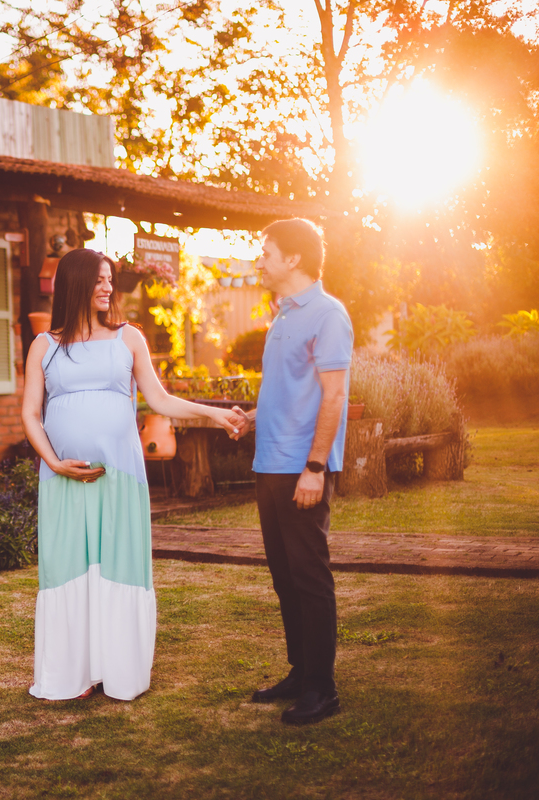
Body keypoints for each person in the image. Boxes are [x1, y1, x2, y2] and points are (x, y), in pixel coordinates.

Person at [21, 248, 243, 701]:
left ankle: (118, 672)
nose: (108, 288)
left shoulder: (128, 338)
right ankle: (73, 675)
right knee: (68, 570)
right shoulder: (43, 345)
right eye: (99, 280)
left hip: (119, 479)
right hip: (62, 481)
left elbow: (160, 401)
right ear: (75, 284)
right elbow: (29, 415)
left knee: (118, 568)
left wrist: (215, 415)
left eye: (110, 280)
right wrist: (53, 461)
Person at [233, 218, 353, 725]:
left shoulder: (329, 314)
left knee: (309, 578)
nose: (259, 259)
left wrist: (315, 468)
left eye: (266, 251)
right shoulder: (283, 314)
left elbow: (334, 395)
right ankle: (301, 672)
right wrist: (252, 418)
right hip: (270, 463)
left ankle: (322, 690)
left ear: (293, 259)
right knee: (285, 578)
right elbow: (290, 390)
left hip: (302, 468)